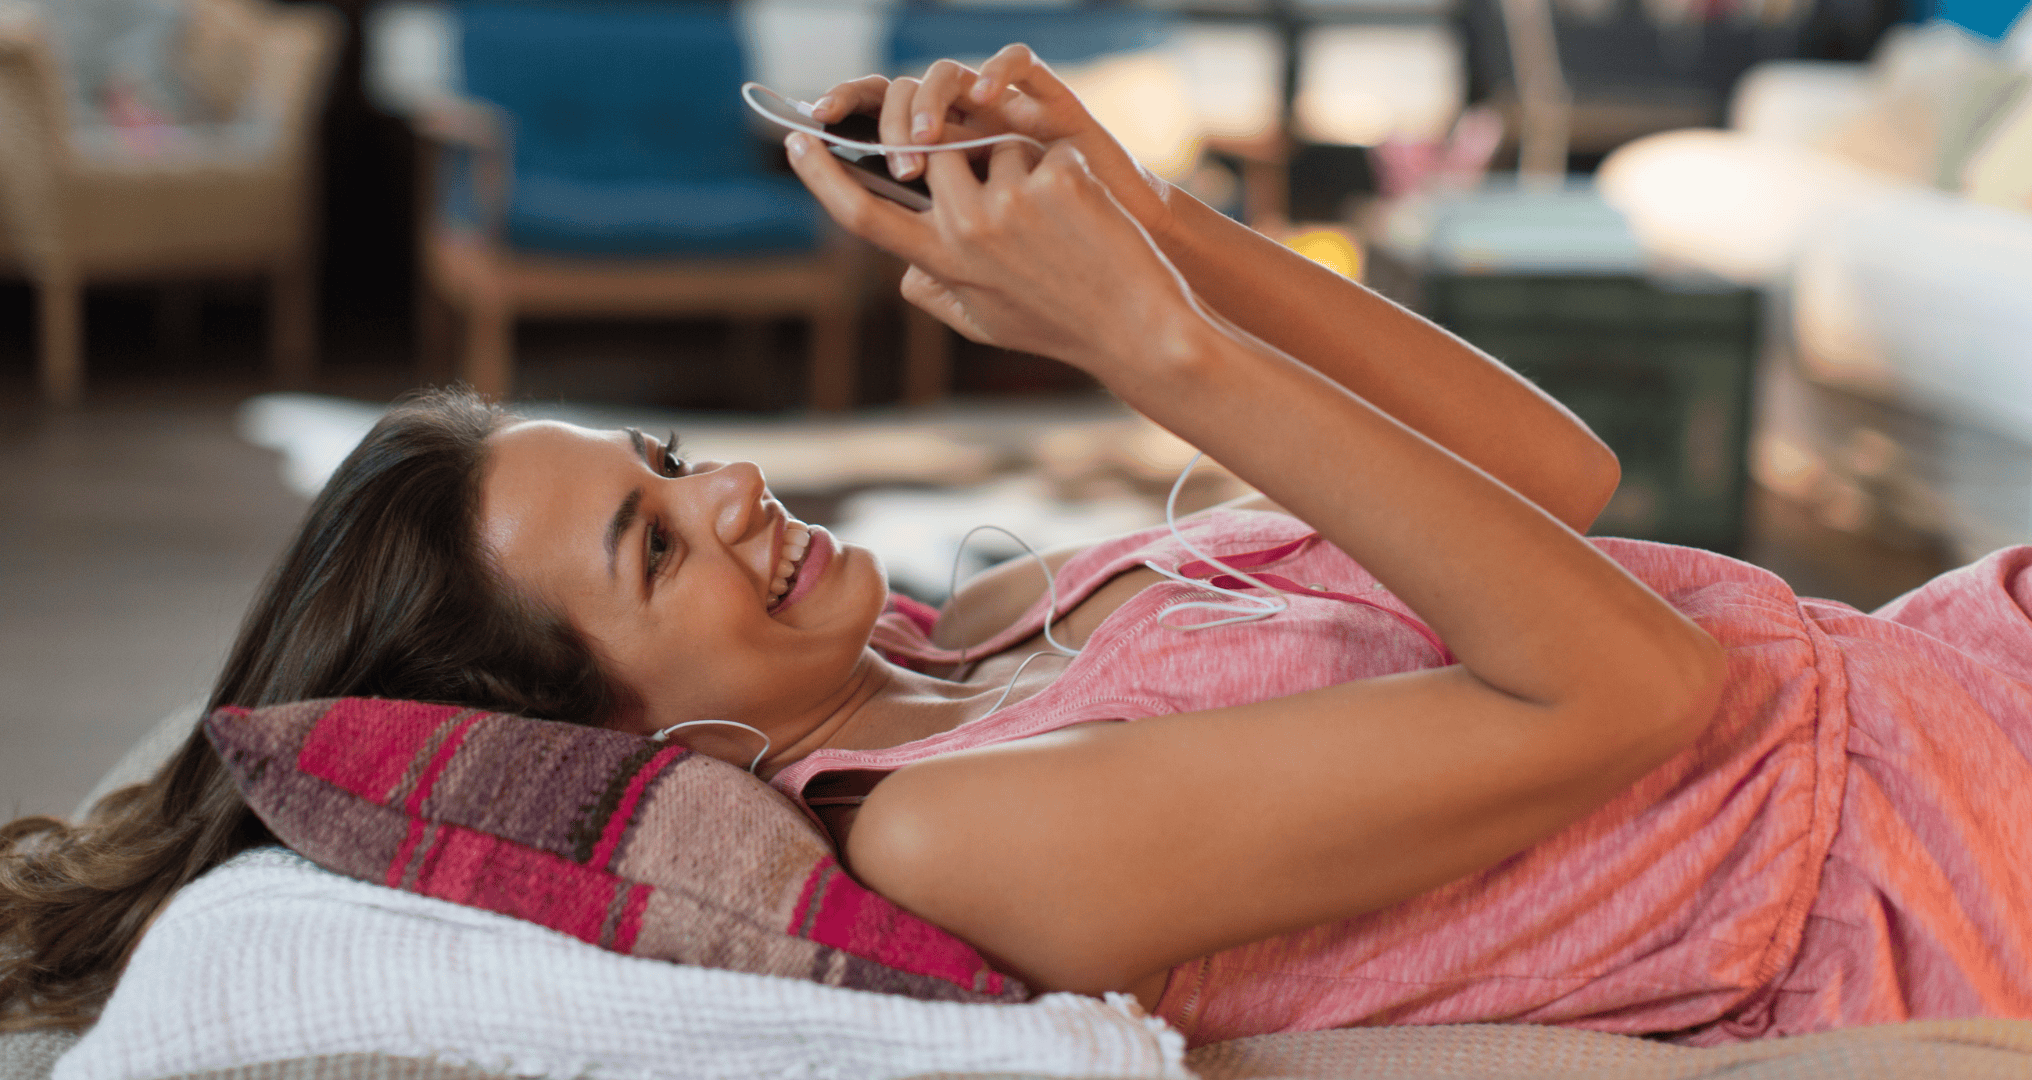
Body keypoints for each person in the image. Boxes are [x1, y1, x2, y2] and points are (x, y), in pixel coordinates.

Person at [4, 46, 2029, 1049]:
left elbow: (1547, 478)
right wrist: (1140, 350)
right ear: (629, 738)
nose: (726, 498)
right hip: (1934, 863)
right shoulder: (943, 833)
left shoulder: (996, 617)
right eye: (649, 550)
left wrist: (1144, 224)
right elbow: (1637, 687)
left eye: (667, 459)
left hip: (1942, 664)